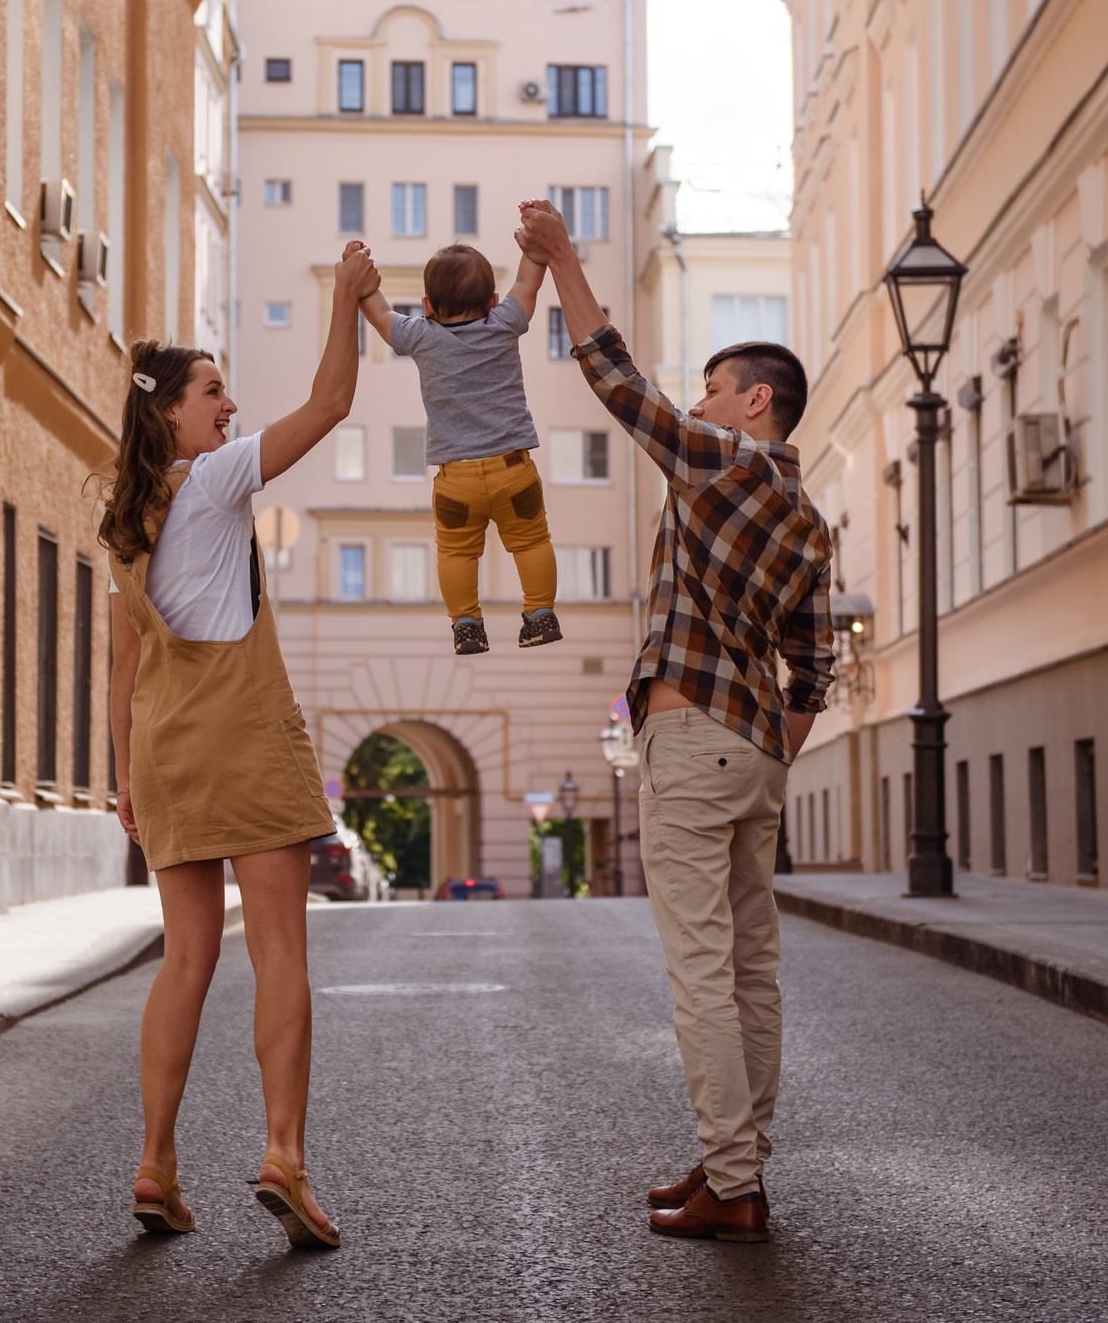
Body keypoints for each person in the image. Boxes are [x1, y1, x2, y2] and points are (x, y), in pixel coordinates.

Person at [515, 200, 835, 1245]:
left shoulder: (718, 460)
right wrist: (773, 748)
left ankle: (732, 1181)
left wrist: (562, 257)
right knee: (751, 965)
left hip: (694, 737)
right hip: (750, 752)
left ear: (751, 402)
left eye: (712, 389)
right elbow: (813, 659)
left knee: (701, 965)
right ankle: (734, 1160)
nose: (697, 403)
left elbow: (616, 380)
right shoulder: (808, 516)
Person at [99, 240, 380, 1251]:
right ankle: (282, 1153)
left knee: (184, 959)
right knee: (278, 951)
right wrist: (343, 299)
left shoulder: (126, 519)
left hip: (166, 753)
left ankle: (155, 1162)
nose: (228, 405)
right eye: (213, 390)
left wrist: (124, 776)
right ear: (170, 411)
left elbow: (123, 668)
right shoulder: (214, 480)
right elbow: (332, 404)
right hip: (245, 740)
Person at [353, 241, 561, 655]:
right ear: (493, 300)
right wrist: (536, 246)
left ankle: (467, 624)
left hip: (456, 481)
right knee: (531, 542)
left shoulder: (420, 336)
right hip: (513, 469)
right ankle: (540, 614)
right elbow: (528, 283)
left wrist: (362, 278)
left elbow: (378, 313)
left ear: (427, 306)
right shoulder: (504, 323)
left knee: (456, 553)